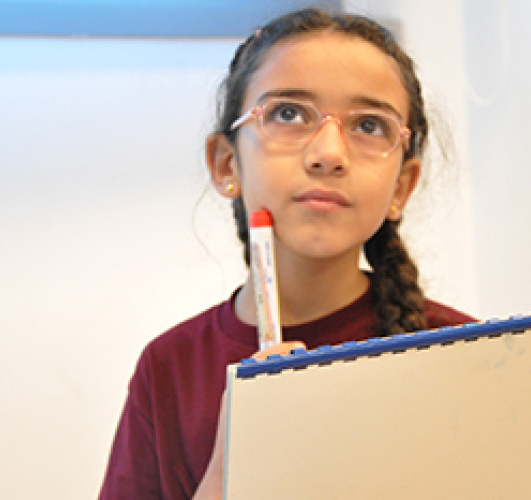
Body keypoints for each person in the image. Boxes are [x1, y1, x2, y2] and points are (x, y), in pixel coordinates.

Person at [98, 8, 474, 500]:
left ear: (402, 187)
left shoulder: (468, 355)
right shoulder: (169, 368)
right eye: (289, 114)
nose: (329, 153)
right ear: (226, 164)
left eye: (368, 124)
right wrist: (225, 475)